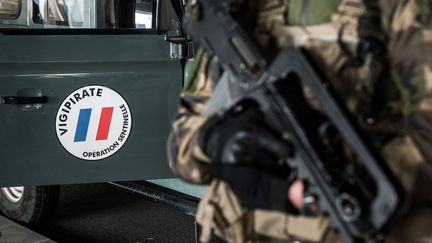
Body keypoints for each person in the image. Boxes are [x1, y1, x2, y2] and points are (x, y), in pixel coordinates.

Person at [168, 0, 432, 242]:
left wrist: (336, 184)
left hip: (365, 227)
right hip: (245, 229)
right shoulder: (240, 7)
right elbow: (180, 147)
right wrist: (215, 141)